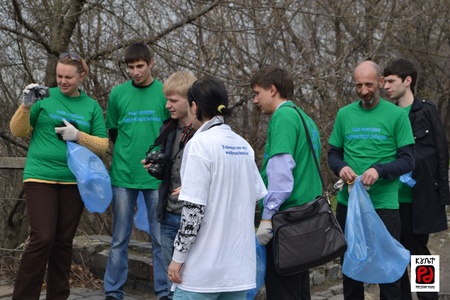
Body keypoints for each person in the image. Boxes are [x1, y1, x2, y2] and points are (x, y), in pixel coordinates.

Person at [9, 52, 109, 299]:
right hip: (39, 177)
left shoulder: (90, 106)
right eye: (59, 76)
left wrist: (78, 136)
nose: (63, 81)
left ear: (81, 76)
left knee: (63, 243)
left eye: (69, 77)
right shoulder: (43, 97)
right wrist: (25, 106)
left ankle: (58, 296)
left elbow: (103, 145)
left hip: (74, 181)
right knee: (42, 238)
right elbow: (18, 131)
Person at [167, 76, 267, 299]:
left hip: (202, 273)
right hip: (239, 271)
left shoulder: (199, 145)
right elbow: (256, 194)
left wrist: (178, 257)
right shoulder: (243, 146)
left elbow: (193, 212)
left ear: (194, 106)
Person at [327, 60, 415, 299]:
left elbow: (411, 160)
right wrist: (341, 167)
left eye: (368, 84)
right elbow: (333, 154)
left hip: (388, 206)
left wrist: (380, 170)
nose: (363, 90)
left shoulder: (405, 114)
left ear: (380, 82)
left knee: (404, 262)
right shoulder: (345, 114)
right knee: (352, 268)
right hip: (351, 205)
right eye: (358, 85)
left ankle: (430, 294)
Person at [104, 42, 170, 300]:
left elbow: (170, 131)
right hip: (123, 175)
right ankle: (113, 291)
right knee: (119, 237)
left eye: (140, 66)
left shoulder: (164, 91)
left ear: (151, 63)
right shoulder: (118, 94)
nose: (135, 72)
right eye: (131, 67)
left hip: (155, 177)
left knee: (159, 238)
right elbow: (113, 131)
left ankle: (163, 292)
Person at [250, 65, 323, 300]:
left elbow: (281, 174)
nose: (255, 100)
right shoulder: (304, 118)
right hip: (306, 217)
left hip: (287, 220)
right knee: (299, 290)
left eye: (257, 93)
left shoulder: (282, 117)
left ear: (272, 90)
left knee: (283, 292)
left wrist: (267, 216)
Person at [383, 58, 449, 300]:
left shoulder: (426, 111)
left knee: (419, 252)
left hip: (419, 198)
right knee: (395, 252)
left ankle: (428, 297)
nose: (386, 86)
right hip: (389, 198)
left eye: (391, 81)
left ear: (407, 81)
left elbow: (441, 153)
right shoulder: (385, 114)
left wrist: (442, 197)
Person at [142, 70, 197, 299]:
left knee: (191, 279)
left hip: (192, 218)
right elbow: (171, 172)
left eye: (173, 100)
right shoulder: (168, 128)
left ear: (191, 102)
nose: (168, 105)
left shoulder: (205, 133)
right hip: (167, 214)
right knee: (169, 278)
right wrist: (157, 168)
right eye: (167, 100)